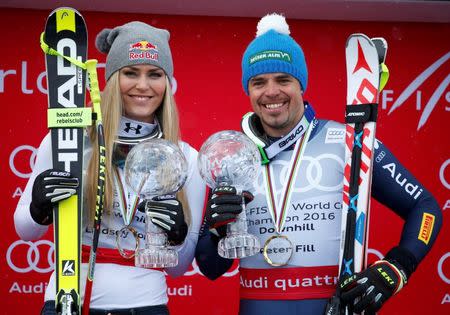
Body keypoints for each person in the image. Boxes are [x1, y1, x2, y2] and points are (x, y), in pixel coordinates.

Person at [195, 13, 442, 315]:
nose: (271, 92)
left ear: (301, 85)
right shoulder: (230, 155)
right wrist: (220, 231)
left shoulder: (348, 141)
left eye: (283, 79)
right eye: (259, 82)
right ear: (249, 90)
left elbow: (426, 207)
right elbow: (209, 266)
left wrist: (399, 266)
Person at [14, 21, 205, 315]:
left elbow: (180, 269)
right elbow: (25, 231)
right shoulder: (70, 140)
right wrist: (38, 207)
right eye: (130, 72)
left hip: (145, 305)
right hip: (68, 300)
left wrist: (177, 237)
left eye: (154, 74)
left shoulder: (184, 157)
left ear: (166, 83)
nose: (143, 85)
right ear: (113, 79)